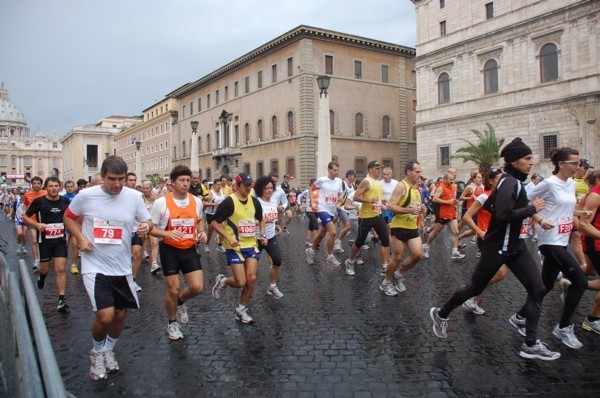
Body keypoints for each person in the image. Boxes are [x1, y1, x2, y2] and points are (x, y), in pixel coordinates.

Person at [430, 137, 561, 361]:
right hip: (498, 246)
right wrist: (531, 208)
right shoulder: (510, 182)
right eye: (527, 158)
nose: (532, 162)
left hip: (515, 246)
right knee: (474, 287)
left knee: (538, 288)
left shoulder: (509, 181)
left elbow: (493, 205)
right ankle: (441, 314)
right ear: (513, 161)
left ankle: (530, 341)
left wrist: (530, 212)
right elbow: (502, 215)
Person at [63, 155, 151, 380]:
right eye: (112, 179)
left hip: (121, 267)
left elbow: (147, 221)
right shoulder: (86, 196)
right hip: (94, 264)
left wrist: (145, 227)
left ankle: (108, 351)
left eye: (121, 179)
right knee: (105, 316)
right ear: (102, 177)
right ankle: (96, 352)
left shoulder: (134, 197)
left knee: (120, 316)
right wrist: (80, 238)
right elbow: (69, 217)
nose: (117, 184)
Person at [515, 147, 589, 349]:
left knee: (545, 285)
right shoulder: (548, 184)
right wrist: (538, 217)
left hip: (562, 240)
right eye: (573, 163)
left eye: (578, 163)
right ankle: (563, 327)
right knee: (580, 282)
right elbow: (523, 199)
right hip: (549, 242)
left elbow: (566, 206)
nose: (577, 166)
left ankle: (519, 316)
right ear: (561, 164)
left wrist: (581, 212)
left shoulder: (571, 184)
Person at [149, 165, 207, 340]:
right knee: (173, 289)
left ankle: (181, 302)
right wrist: (166, 233)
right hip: (170, 250)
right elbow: (150, 228)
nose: (186, 184)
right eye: (182, 180)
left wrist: (202, 232)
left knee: (197, 287)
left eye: (188, 180)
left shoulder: (196, 201)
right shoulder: (161, 203)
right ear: (172, 183)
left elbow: (199, 220)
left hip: (189, 248)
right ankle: (172, 323)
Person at [210, 173, 267, 324]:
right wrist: (228, 237)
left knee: (251, 279)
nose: (249, 188)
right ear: (238, 185)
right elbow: (214, 223)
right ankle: (222, 281)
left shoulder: (254, 201)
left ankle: (241, 309)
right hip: (234, 247)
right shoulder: (229, 202)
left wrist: (262, 235)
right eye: (246, 185)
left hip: (251, 245)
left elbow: (261, 219)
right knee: (240, 282)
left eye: (250, 185)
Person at [460, 168, 508, 313]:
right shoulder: (484, 196)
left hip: (499, 240)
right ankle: (470, 296)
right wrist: (479, 231)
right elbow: (466, 217)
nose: (503, 182)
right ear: (491, 181)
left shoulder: (503, 196)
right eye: (499, 179)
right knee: (500, 273)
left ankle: (471, 294)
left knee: (490, 273)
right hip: (486, 239)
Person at [23, 177, 71, 311]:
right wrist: (37, 225)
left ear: (60, 187)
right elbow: (25, 217)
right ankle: (41, 276)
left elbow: (71, 217)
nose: (54, 188)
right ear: (46, 188)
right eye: (51, 186)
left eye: (56, 186)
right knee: (45, 269)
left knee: (61, 268)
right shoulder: (39, 202)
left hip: (60, 240)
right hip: (45, 240)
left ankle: (62, 299)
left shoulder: (65, 201)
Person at [379, 161, 425, 295]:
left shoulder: (418, 187)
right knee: (397, 258)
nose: (419, 174)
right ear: (408, 172)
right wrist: (408, 211)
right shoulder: (401, 186)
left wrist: (421, 209)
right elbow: (390, 206)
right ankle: (386, 282)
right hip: (399, 226)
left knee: (418, 255)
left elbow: (416, 205)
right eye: (417, 172)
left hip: (412, 227)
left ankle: (398, 274)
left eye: (420, 172)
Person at [343, 161, 391, 276]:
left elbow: (375, 198)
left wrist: (381, 201)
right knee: (360, 241)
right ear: (370, 170)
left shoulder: (378, 183)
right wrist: (369, 201)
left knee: (385, 239)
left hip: (377, 214)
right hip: (366, 217)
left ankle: (384, 266)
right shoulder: (366, 181)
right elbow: (356, 196)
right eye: (377, 168)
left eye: (380, 168)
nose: (379, 170)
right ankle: (349, 261)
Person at [305, 162, 345, 266]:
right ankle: (330, 256)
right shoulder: (322, 180)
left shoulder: (339, 181)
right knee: (333, 232)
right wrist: (312, 202)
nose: (336, 172)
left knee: (322, 234)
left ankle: (311, 250)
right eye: (334, 170)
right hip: (322, 209)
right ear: (329, 169)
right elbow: (311, 189)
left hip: (332, 211)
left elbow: (340, 194)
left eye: (337, 170)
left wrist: (339, 201)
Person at [422, 171, 465, 260]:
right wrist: (447, 202)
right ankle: (426, 246)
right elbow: (435, 199)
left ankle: (454, 251)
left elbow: (453, 198)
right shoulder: (441, 187)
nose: (452, 181)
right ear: (445, 179)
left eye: (453, 179)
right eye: (450, 180)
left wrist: (454, 201)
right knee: (435, 233)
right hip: (443, 214)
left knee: (456, 232)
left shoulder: (454, 186)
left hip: (452, 213)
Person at [577, 169, 600, 334]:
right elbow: (584, 224)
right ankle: (592, 319)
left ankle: (572, 283)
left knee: (589, 271)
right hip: (595, 243)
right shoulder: (594, 196)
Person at [254, 176, 285, 298]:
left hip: (271, 237)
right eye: (266, 188)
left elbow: (272, 218)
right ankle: (246, 289)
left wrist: (276, 225)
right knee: (251, 270)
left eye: (271, 187)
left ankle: (272, 286)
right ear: (261, 189)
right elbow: (251, 222)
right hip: (256, 238)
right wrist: (265, 220)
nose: (269, 190)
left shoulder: (273, 202)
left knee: (277, 261)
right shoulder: (256, 202)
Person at [24, 176, 47, 270]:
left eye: (38, 183)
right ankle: (36, 260)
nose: (36, 185)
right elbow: (26, 207)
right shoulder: (27, 194)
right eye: (35, 183)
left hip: (44, 220)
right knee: (34, 240)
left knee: (45, 241)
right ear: (32, 184)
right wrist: (25, 217)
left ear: (41, 184)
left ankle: (45, 258)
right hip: (33, 220)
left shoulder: (45, 193)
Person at [125, 173, 143, 292]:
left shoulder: (138, 196)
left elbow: (143, 214)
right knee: (124, 257)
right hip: (123, 231)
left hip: (135, 229)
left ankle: (133, 280)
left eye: (134, 180)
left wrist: (145, 225)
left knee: (137, 254)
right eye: (130, 180)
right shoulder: (120, 194)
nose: (133, 182)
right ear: (125, 181)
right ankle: (123, 279)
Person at [334, 170, 356, 253]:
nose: (355, 177)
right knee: (348, 226)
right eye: (354, 176)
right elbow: (335, 192)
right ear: (349, 176)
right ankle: (337, 242)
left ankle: (338, 241)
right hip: (341, 208)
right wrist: (337, 204)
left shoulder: (352, 186)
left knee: (346, 227)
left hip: (349, 209)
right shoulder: (342, 183)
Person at [141, 181, 161, 274]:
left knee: (154, 243)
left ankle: (154, 263)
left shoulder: (157, 199)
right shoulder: (140, 198)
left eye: (147, 188)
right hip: (142, 223)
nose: (145, 190)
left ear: (151, 188)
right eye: (143, 188)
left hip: (153, 224)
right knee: (144, 238)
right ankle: (144, 251)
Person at [204, 179, 226, 252]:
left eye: (220, 185)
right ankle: (207, 244)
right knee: (210, 232)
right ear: (214, 185)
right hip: (211, 214)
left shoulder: (222, 191)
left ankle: (220, 245)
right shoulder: (210, 193)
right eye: (218, 185)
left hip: (220, 214)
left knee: (222, 230)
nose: (219, 186)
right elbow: (204, 203)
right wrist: (213, 204)